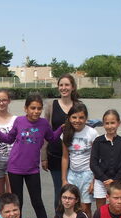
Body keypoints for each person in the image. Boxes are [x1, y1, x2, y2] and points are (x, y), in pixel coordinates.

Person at [0, 93, 62, 218]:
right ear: (26, 108)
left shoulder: (43, 124)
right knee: (17, 203)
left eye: (39, 109)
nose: (36, 111)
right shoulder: (19, 121)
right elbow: (9, 138)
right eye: (33, 108)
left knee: (37, 201)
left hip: (32, 170)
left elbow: (53, 138)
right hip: (15, 167)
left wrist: (62, 128)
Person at [42, 74, 80, 209]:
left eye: (67, 85)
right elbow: (46, 133)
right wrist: (44, 156)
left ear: (73, 87)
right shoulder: (51, 106)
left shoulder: (78, 106)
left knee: (74, 192)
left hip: (76, 156)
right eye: (61, 85)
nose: (64, 88)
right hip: (55, 155)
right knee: (60, 191)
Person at [61, 102, 98, 218]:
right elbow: (65, 156)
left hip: (88, 174)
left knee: (85, 208)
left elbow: (97, 158)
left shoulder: (92, 133)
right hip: (72, 174)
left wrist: (94, 180)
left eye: (81, 117)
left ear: (86, 118)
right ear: (69, 118)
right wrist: (64, 179)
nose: (77, 120)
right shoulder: (66, 133)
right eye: (74, 117)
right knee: (72, 206)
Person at [90, 109, 121, 209]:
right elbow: (93, 164)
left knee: (116, 207)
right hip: (101, 181)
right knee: (101, 209)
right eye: (107, 123)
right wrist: (105, 179)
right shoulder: (98, 141)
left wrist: (115, 180)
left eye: (113, 123)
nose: (110, 126)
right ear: (103, 124)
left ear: (118, 123)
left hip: (117, 181)